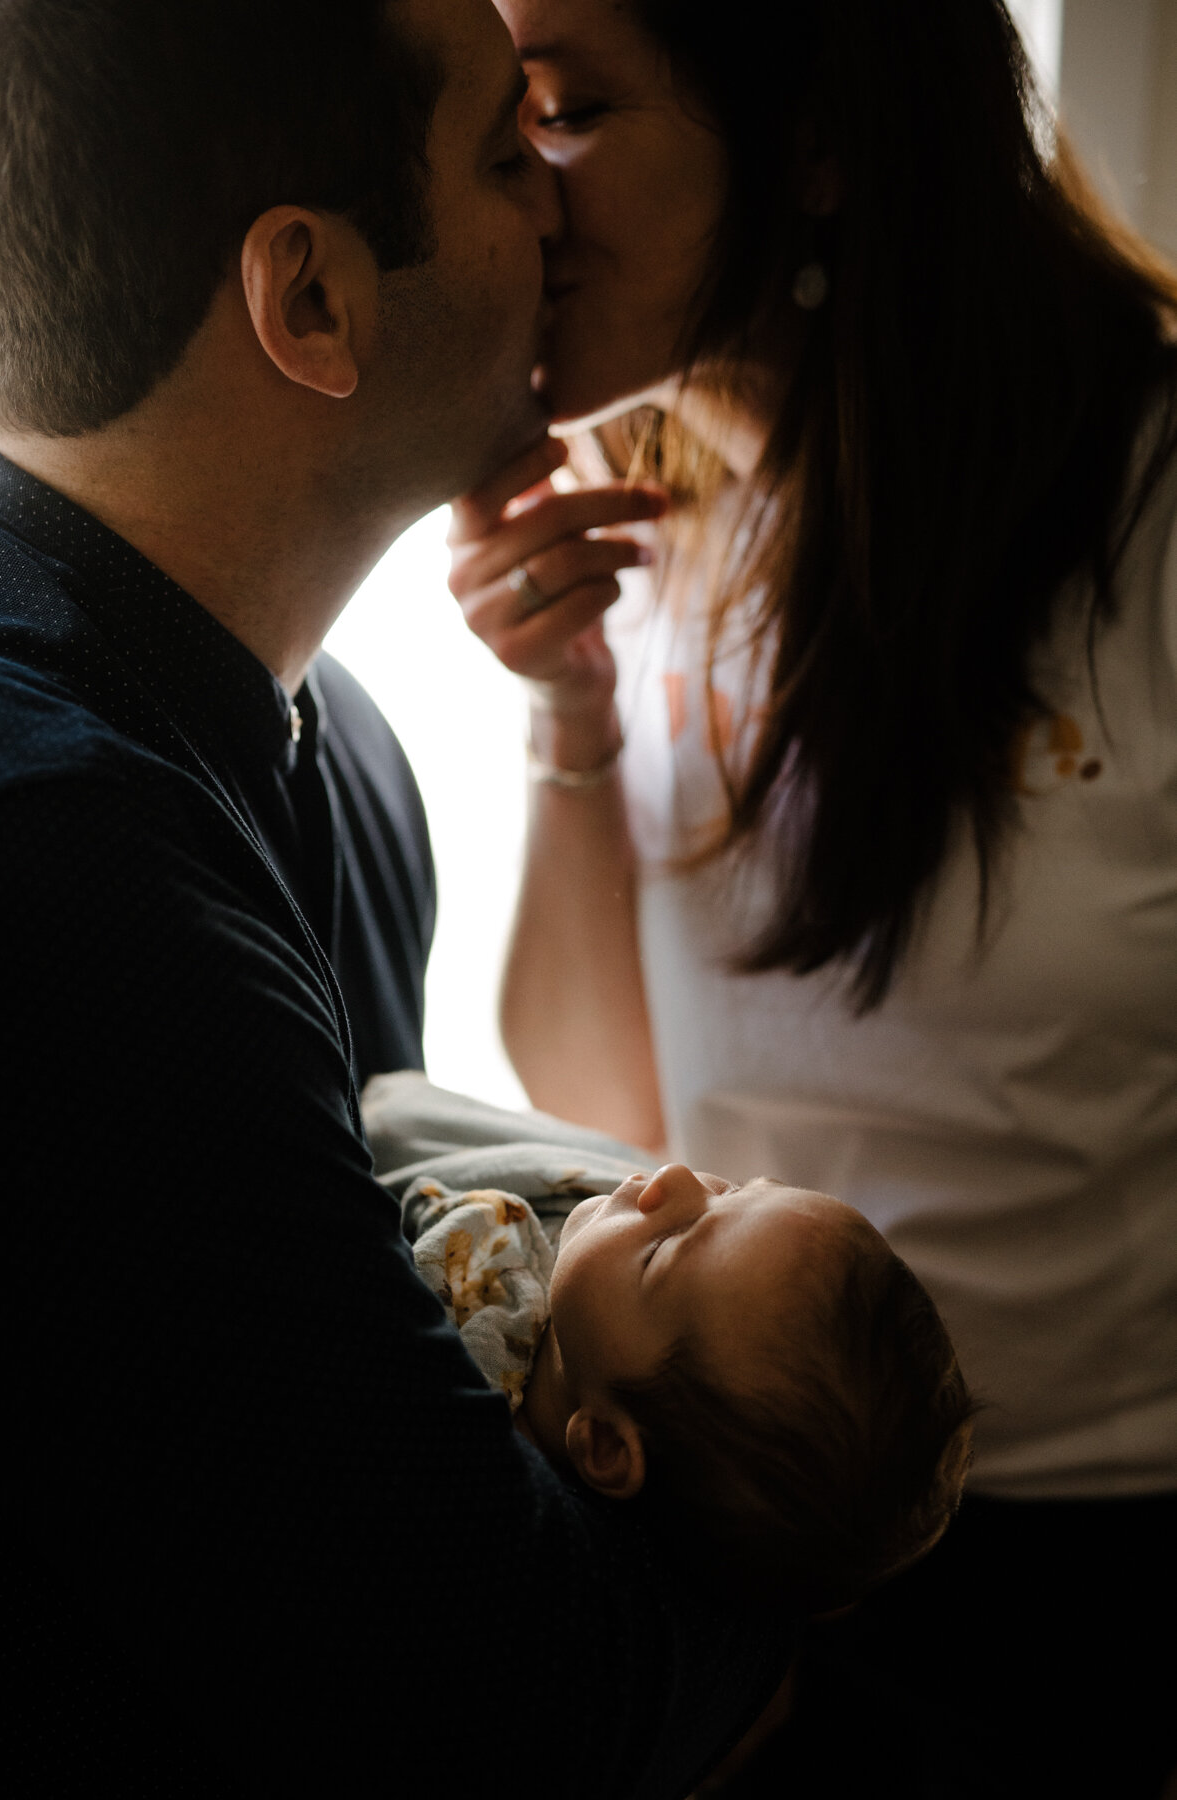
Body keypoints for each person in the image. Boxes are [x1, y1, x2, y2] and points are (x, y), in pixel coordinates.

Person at [0, 2, 797, 1793]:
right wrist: (827, 1531)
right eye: (513, 151)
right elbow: (480, 1700)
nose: (564, 213)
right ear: (314, 303)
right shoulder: (59, 881)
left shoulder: (330, 740)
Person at [447, 0, 1177, 1793]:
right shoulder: (638, 525)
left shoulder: (1145, 504)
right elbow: (605, 1118)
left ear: (822, 144)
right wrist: (566, 720)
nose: (511, 192)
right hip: (731, 1530)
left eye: (564, 109)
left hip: (1101, 1556)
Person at [408, 1162, 975, 1615]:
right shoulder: (601, 1299)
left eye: (664, 1251)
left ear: (605, 1445)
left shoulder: (456, 1397)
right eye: (733, 1190)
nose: (675, 1177)